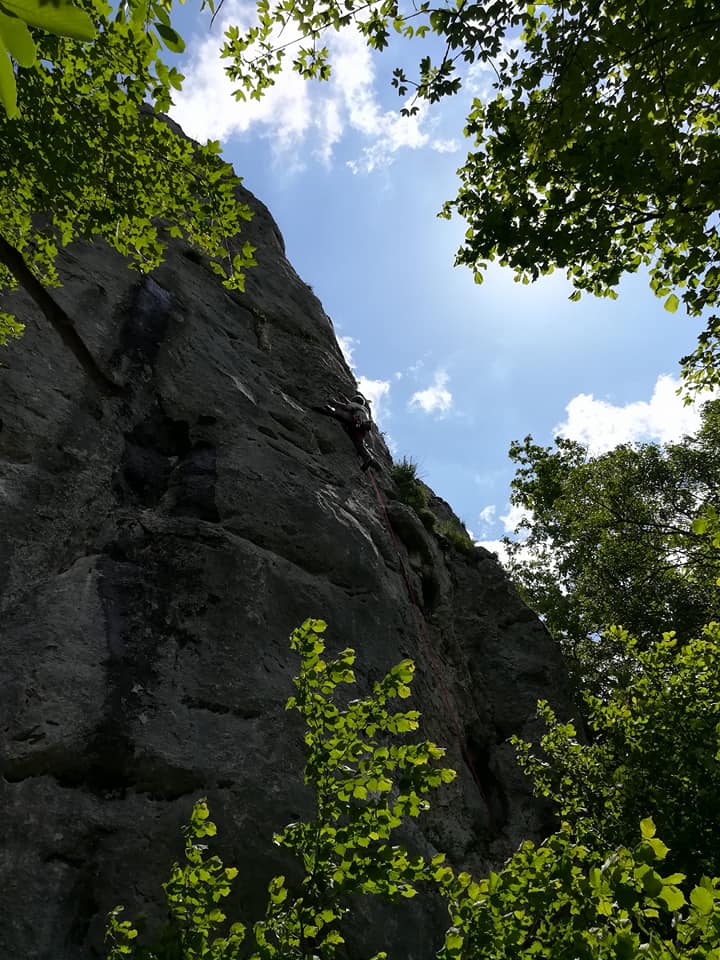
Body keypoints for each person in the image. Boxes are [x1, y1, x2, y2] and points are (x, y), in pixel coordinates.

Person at [315, 392, 379, 471]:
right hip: (363, 426)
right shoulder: (364, 409)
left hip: (356, 421)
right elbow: (349, 403)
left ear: (355, 401)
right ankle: (367, 458)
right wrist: (343, 398)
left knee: (341, 414)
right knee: (358, 442)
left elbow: (347, 407)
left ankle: (330, 411)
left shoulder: (355, 405)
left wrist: (334, 402)